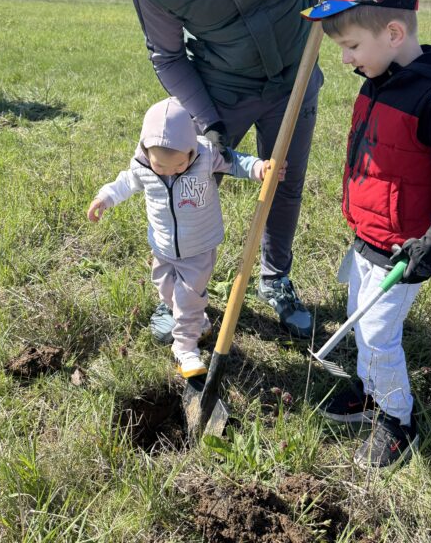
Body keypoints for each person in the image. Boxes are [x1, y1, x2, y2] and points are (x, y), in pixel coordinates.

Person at [120, 0, 365, 342]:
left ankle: (275, 279)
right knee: (188, 186)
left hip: (293, 74)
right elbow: (166, 56)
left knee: (284, 182)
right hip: (220, 90)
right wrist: (207, 123)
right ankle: (182, 293)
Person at [301, 0, 431, 468]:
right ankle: (369, 390)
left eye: (351, 46)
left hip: (404, 249)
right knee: (359, 320)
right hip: (367, 235)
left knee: (379, 334)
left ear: (394, 32)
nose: (345, 60)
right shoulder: (377, 79)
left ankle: (397, 420)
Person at [87, 97, 285, 378]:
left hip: (198, 248)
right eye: (161, 167)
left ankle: (186, 348)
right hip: (162, 246)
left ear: (192, 149)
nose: (170, 172)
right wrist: (104, 198)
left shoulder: (206, 155)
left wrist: (259, 168)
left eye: (179, 165)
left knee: (187, 299)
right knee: (166, 290)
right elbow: (125, 182)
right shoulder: (142, 165)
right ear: (146, 151)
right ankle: (198, 323)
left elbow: (235, 162)